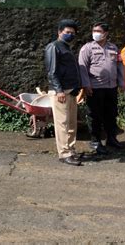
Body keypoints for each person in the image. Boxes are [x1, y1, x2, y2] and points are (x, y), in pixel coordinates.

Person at [78, 22, 125, 154]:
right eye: (94, 30)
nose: (95, 33)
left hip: (111, 88)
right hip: (95, 88)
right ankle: (95, 142)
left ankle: (111, 138)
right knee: (95, 115)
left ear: (106, 33)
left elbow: (120, 66)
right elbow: (82, 67)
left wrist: (121, 83)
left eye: (98, 31)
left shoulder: (113, 48)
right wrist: (86, 85)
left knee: (111, 114)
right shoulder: (87, 48)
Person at [44, 19, 82, 166]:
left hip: (72, 91)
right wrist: (58, 90)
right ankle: (64, 153)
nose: (70, 35)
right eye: (67, 32)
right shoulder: (53, 47)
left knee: (72, 123)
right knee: (62, 124)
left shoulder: (66, 47)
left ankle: (71, 150)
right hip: (61, 92)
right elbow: (51, 71)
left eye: (73, 33)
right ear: (60, 32)